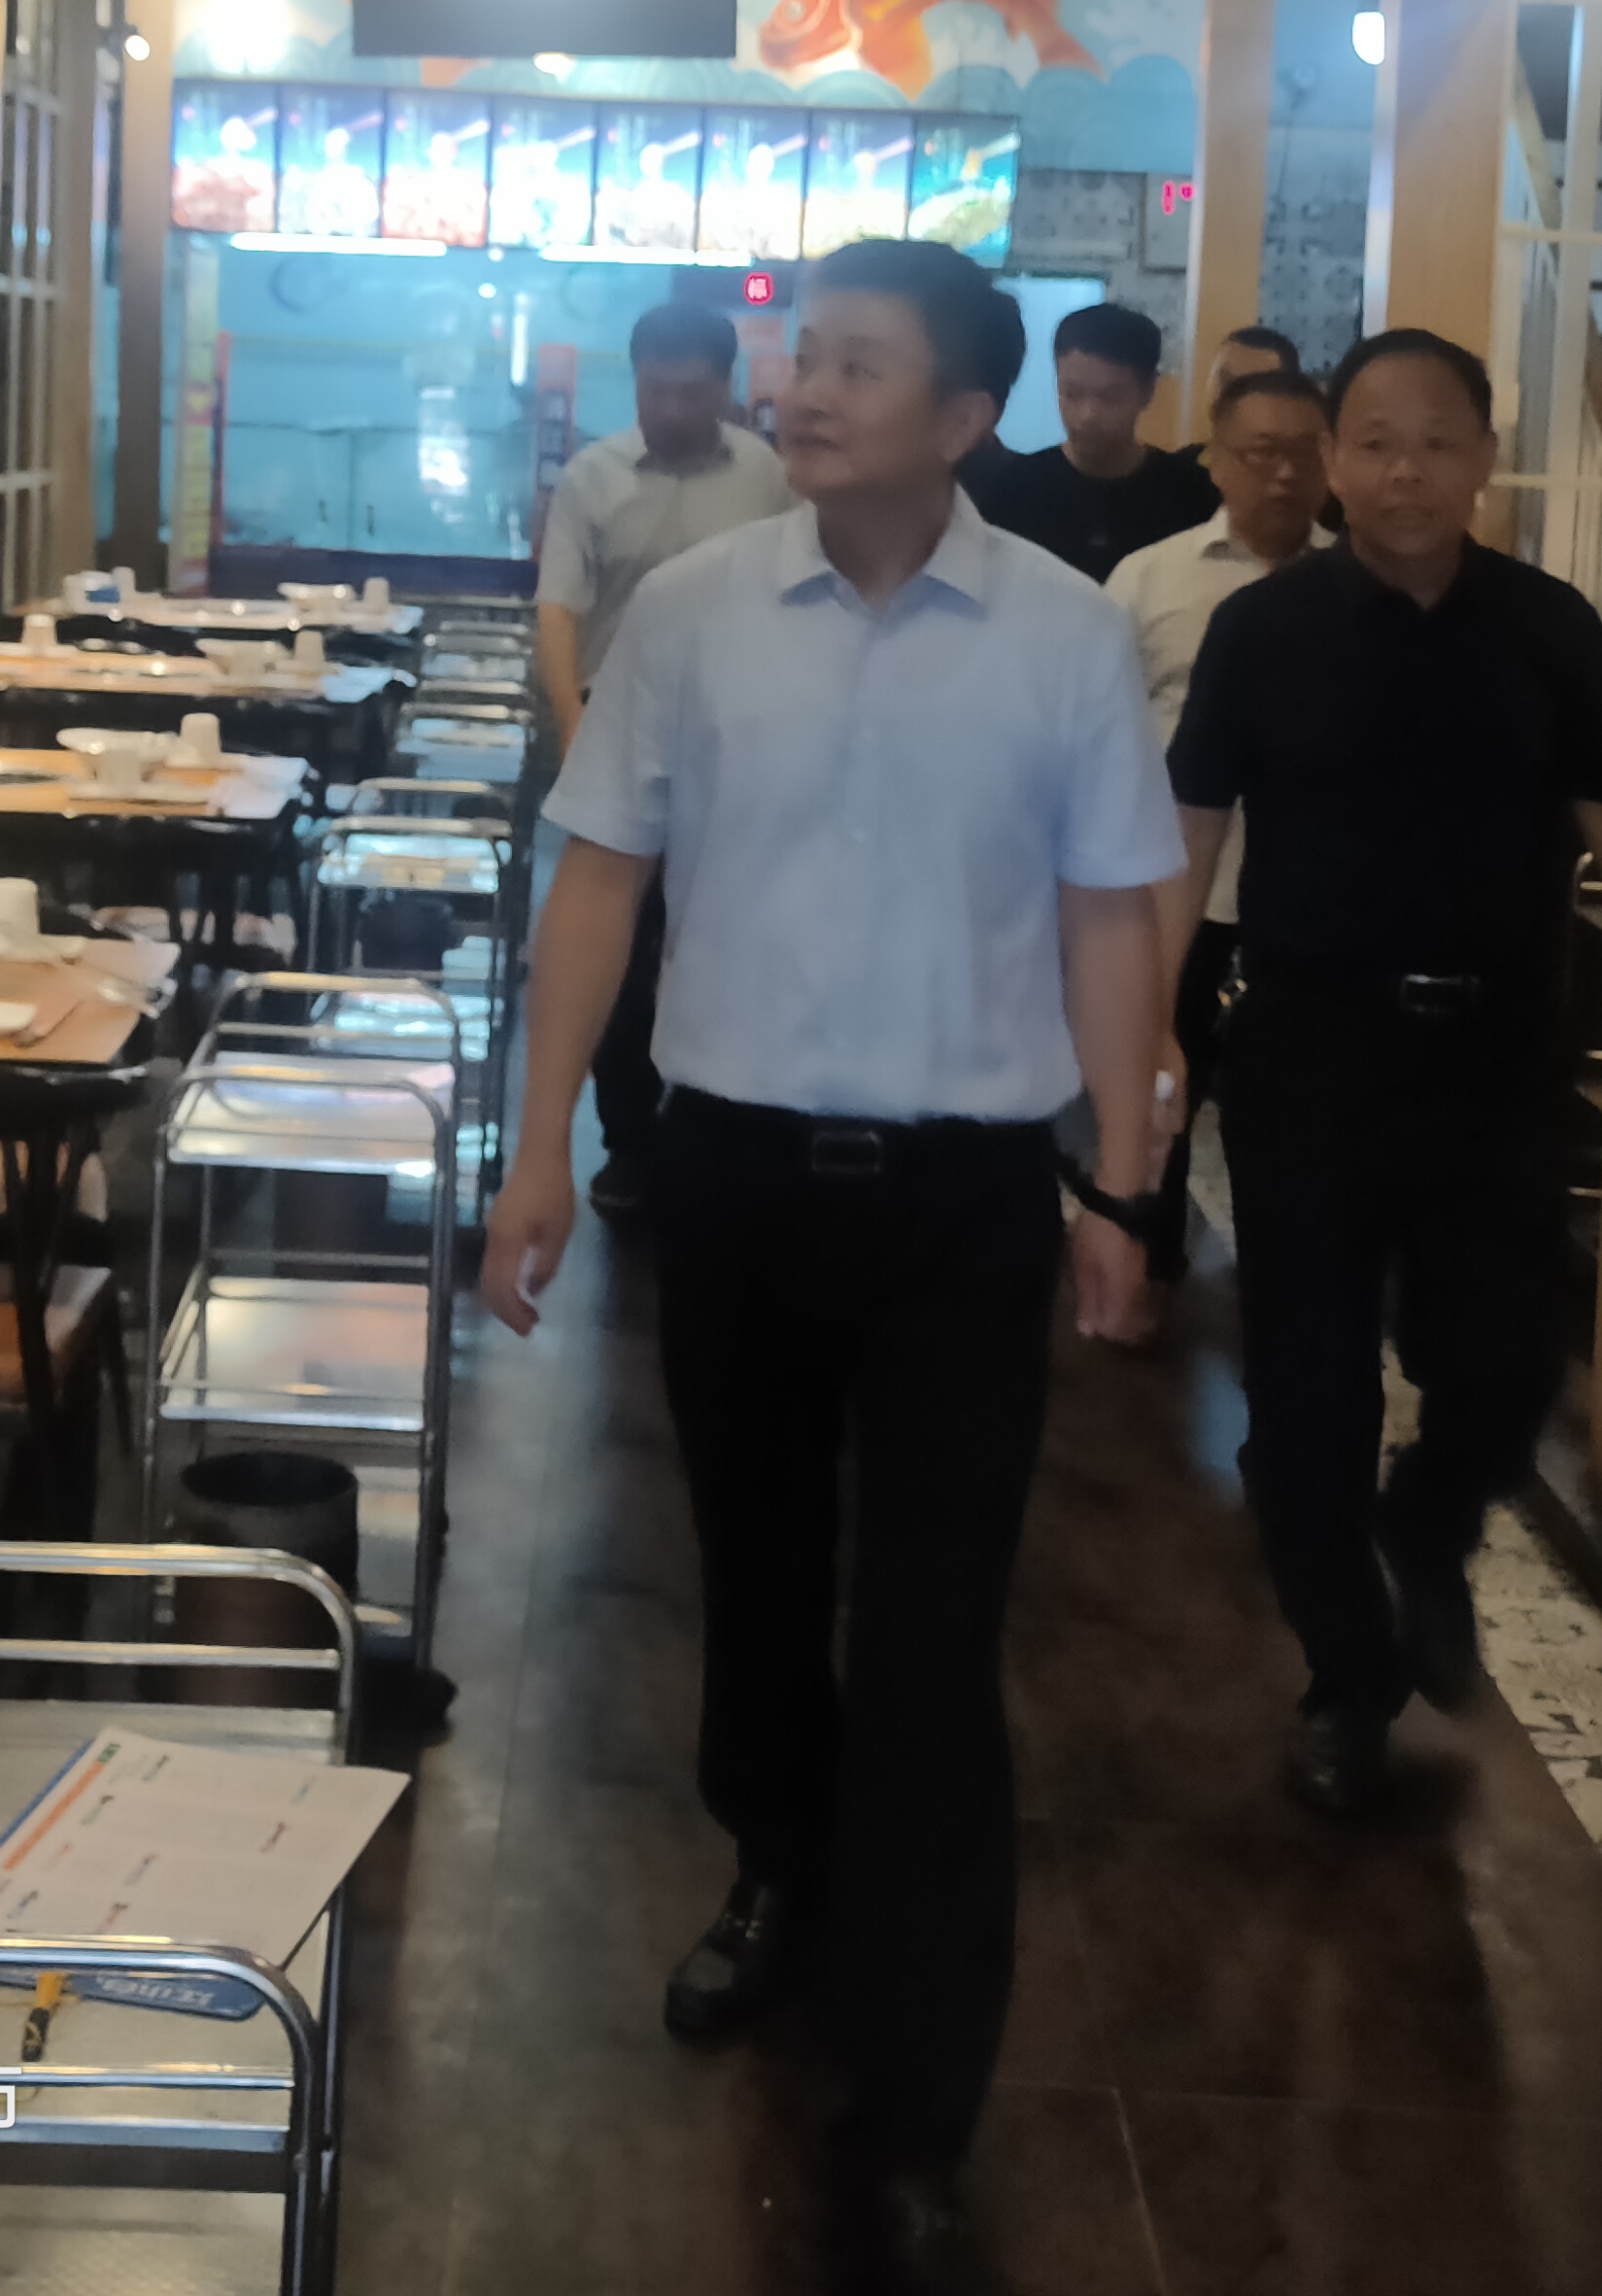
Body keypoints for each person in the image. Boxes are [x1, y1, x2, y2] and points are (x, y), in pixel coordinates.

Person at [483, 237, 1179, 2295]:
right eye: (805, 357)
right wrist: (536, 1148)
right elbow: (600, 879)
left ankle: (919, 2079)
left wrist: (1121, 1187)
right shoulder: (694, 613)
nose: (802, 389)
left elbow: (1114, 915)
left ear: (963, 416)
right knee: (764, 1575)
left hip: (964, 1201)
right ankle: (777, 1872)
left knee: (939, 1633)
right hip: (735, 1179)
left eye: (857, 365)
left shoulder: (1063, 637)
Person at [1162, 327, 1602, 1817]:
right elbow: (1187, 834)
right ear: (1332, 461)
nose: (1404, 471)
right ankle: (1346, 1677)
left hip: (1495, 1055)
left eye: (1437, 441)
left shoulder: (1547, 629)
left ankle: (1428, 1525)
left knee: (1502, 1366)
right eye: (1374, 442)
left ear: (1485, 459)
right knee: (1306, 1400)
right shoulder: (1264, 633)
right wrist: (1143, 1028)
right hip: (1310, 1050)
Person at [533, 301, 799, 1222]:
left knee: (731, 934)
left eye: (692, 392)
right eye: (656, 390)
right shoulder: (591, 477)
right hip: (616, 722)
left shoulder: (772, 477)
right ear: (635, 381)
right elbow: (559, 607)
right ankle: (631, 1144)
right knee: (622, 942)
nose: (673, 409)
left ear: (725, 389)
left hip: (744, 730)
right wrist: (572, 721)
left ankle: (726, 1132)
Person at [1103, 361, 1333, 1279]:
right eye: (1262, 452)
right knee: (1159, 1089)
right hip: (1176, 893)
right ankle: (1140, 1261)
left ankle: (1282, 1282)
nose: (1285, 473)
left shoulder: (1359, 583)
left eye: (1305, 452)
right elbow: (1100, 737)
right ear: (1216, 460)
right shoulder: (1148, 579)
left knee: (1295, 1116)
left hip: (1307, 904)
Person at [973, 300, 1218, 581]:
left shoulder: (1191, 494)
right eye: (1072, 394)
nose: (1088, 415)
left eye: (1109, 398)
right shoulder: (1011, 489)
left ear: (1148, 390)